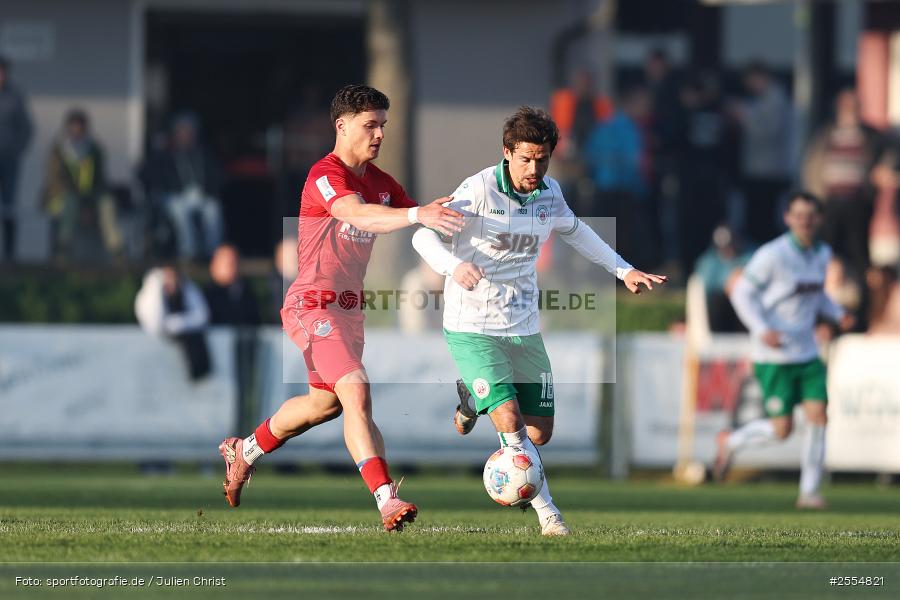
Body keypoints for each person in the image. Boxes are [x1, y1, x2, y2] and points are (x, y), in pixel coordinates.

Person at [217, 84, 463, 532]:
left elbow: (423, 225)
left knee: (324, 404)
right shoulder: (325, 174)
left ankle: (245, 451)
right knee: (356, 390)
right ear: (342, 125)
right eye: (371, 125)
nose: (380, 135)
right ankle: (386, 499)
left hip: (348, 312)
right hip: (312, 305)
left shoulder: (383, 184)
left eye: (383, 125)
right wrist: (417, 215)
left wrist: (461, 218)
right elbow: (358, 215)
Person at [411, 107, 666, 535]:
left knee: (539, 432)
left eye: (542, 158)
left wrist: (624, 270)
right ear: (507, 152)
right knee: (510, 421)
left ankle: (473, 402)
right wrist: (452, 267)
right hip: (472, 326)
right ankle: (550, 514)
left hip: (523, 327)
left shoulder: (550, 193)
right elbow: (422, 233)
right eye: (526, 158)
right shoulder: (477, 191)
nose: (534, 168)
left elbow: (578, 231)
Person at [714, 191, 854, 509]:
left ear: (818, 219)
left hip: (806, 352)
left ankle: (809, 492)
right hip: (774, 356)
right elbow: (741, 293)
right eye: (799, 215)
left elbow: (816, 296)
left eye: (810, 215)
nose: (805, 221)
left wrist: (836, 313)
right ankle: (732, 440)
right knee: (782, 430)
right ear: (788, 218)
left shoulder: (822, 254)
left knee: (819, 416)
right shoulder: (772, 255)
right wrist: (763, 330)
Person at [802, 89, 883, 281]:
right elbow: (812, 164)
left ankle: (861, 298)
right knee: (827, 251)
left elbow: (887, 156)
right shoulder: (826, 134)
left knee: (859, 254)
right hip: (830, 201)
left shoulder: (870, 136)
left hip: (858, 202)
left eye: (854, 106)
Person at [41, 109, 124, 262]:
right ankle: (63, 249)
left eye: (80, 127)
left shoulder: (94, 150)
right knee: (70, 204)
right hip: (62, 196)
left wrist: (89, 201)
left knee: (107, 204)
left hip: (89, 196)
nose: (77, 130)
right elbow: (55, 180)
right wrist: (76, 197)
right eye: (74, 126)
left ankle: (117, 249)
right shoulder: (59, 150)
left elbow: (100, 179)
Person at [144, 113, 224, 260]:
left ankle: (212, 251)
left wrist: (207, 191)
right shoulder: (166, 154)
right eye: (182, 131)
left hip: (200, 195)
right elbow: (153, 176)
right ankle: (188, 251)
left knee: (213, 208)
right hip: (174, 197)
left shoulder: (203, 153)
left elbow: (216, 176)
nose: (186, 135)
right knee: (180, 210)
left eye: (189, 131)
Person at [731, 61, 792, 245]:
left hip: (768, 172)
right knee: (756, 220)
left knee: (764, 222)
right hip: (758, 171)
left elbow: (769, 131)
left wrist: (743, 115)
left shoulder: (775, 99)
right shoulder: (761, 100)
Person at [135, 263, 212, 380]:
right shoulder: (149, 295)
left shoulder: (187, 288)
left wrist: (176, 323)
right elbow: (155, 324)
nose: (172, 283)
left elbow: (201, 316)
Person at [0, 55, 33, 261]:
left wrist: (17, 149)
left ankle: (10, 253)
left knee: (9, 204)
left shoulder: (15, 97)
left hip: (8, 159)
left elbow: (27, 128)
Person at [693, 224, 753, 333]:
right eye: (724, 247)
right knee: (715, 301)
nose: (728, 250)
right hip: (721, 310)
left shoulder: (753, 254)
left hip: (746, 306)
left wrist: (740, 278)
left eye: (731, 244)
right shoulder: (708, 260)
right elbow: (704, 288)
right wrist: (728, 282)